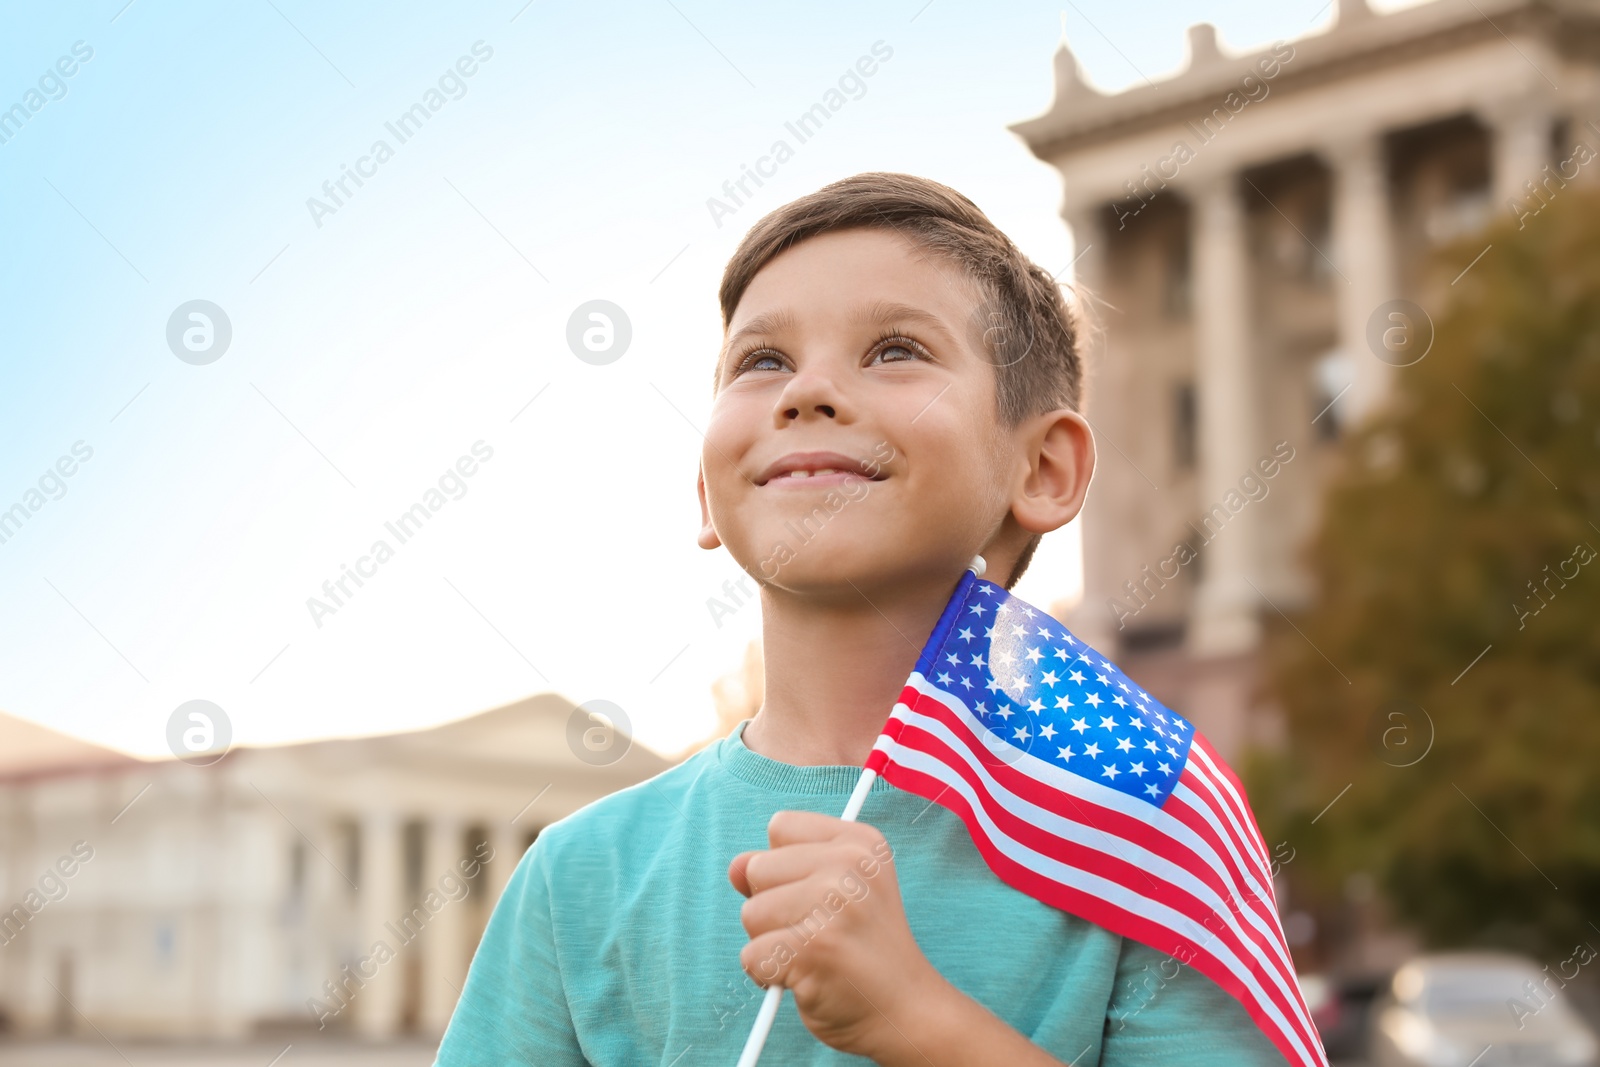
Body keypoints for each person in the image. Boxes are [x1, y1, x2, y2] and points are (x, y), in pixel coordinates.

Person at [434, 172, 1287, 1065]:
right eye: (762, 361)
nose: (807, 390)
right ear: (704, 485)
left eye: (894, 350)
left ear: (1043, 468)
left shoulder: (1143, 818)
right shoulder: (578, 875)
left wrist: (920, 1022)